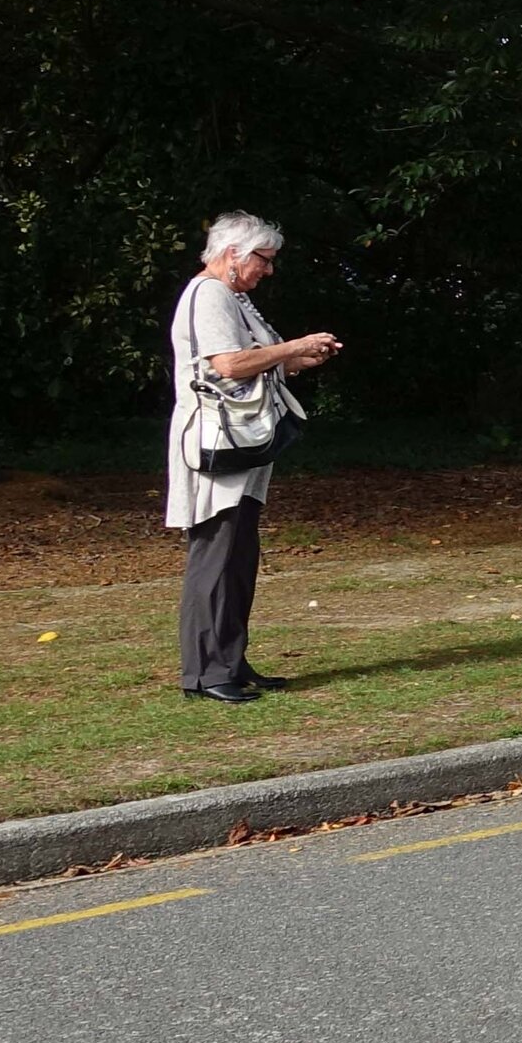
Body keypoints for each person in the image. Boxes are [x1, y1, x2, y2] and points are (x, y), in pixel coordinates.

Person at [166, 212, 338, 704]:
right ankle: (205, 674)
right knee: (217, 557)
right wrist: (294, 346)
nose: (269, 269)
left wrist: (293, 361)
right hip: (217, 445)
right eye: (264, 259)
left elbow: (247, 363)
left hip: (239, 443)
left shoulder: (231, 296)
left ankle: (230, 662)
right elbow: (228, 364)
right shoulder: (209, 294)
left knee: (238, 557)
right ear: (233, 254)